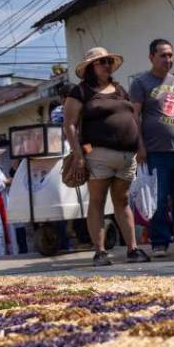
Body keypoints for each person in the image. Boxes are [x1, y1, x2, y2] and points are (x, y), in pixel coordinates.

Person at [64, 47, 150, 266]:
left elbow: (132, 118)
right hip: (97, 153)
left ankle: (133, 249)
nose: (107, 65)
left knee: (122, 201)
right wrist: (78, 155)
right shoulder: (80, 92)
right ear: (91, 67)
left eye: (109, 61)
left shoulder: (120, 89)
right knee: (97, 201)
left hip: (127, 155)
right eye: (102, 62)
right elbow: (70, 124)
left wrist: (140, 146)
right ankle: (100, 252)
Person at [129, 39, 174, 257]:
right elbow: (135, 116)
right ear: (151, 57)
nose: (168, 59)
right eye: (163, 55)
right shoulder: (140, 83)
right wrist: (140, 146)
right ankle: (159, 242)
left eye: (170, 55)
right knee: (158, 200)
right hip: (155, 152)